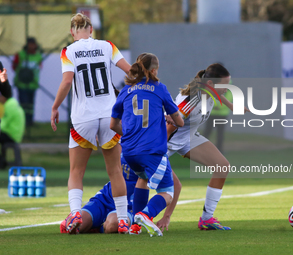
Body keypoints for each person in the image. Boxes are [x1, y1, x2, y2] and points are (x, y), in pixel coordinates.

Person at [51, 13, 131, 234]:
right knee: (115, 170)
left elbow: (67, 81)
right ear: (92, 29)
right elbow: (130, 71)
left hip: (83, 117)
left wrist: (55, 106)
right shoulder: (107, 46)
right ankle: (123, 220)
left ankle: (75, 213)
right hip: (109, 116)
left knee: (76, 171)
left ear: (72, 32)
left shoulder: (68, 51)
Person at [167, 63, 249, 230]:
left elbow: (219, 95)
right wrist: (156, 154)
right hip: (166, 141)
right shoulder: (191, 101)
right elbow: (169, 127)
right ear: (210, 85)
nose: (227, 89)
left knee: (222, 166)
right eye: (224, 85)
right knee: (145, 180)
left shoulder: (209, 91)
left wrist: (232, 106)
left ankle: (206, 219)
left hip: (188, 137)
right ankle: (127, 215)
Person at [110, 53, 184, 237]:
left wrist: (130, 133)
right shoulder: (159, 88)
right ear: (153, 70)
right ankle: (145, 214)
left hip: (128, 152)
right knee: (168, 192)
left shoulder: (126, 90)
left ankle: (135, 226)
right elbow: (180, 122)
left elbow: (113, 125)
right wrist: (168, 117)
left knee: (142, 179)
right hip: (152, 151)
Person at [59, 154, 182, 234]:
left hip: (128, 204)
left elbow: (175, 184)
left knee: (112, 225)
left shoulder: (151, 150)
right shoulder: (119, 139)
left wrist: (167, 216)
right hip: (105, 198)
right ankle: (95, 223)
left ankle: (102, 225)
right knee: (73, 226)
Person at [12, 37, 43, 126]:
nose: (32, 46)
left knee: (30, 104)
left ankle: (30, 121)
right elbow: (14, 66)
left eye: (33, 44)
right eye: (30, 44)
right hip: (22, 84)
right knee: (23, 104)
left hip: (33, 84)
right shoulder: (20, 55)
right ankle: (23, 121)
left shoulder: (38, 56)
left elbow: (40, 67)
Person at [0, 67, 25, 168]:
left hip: (11, 134)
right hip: (14, 134)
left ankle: (2, 162)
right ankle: (2, 161)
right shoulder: (12, 103)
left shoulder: (9, 105)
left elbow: (4, 123)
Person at [203, 89, 232, 155]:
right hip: (211, 114)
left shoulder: (229, 92)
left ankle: (219, 150)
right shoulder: (213, 90)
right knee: (207, 132)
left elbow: (228, 101)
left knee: (220, 134)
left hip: (222, 115)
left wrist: (217, 106)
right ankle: (201, 148)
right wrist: (215, 106)